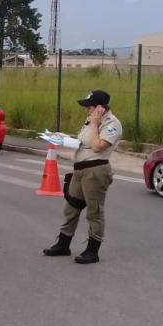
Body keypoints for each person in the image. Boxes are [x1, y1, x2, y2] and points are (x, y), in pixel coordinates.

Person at [43, 89, 122, 264]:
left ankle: (92, 251)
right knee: (71, 207)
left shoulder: (111, 124)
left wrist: (94, 124)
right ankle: (63, 244)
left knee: (94, 212)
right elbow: (83, 143)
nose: (86, 110)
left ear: (100, 108)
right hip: (79, 169)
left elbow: (97, 147)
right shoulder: (90, 120)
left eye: (89, 106)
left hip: (95, 171)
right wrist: (63, 140)